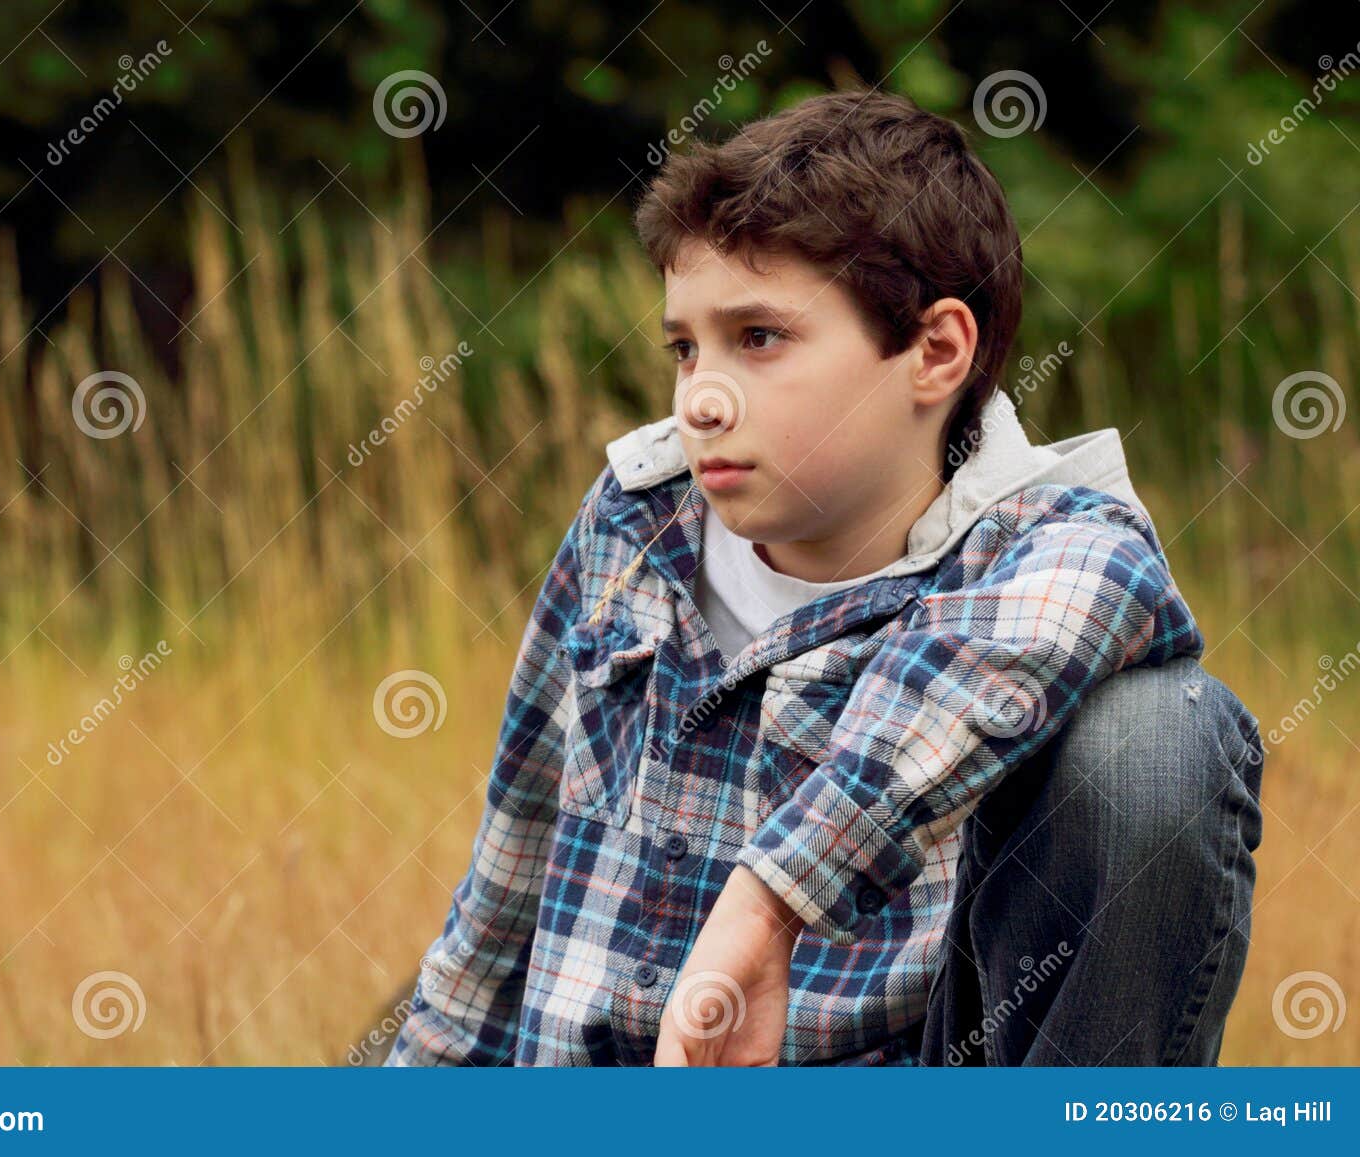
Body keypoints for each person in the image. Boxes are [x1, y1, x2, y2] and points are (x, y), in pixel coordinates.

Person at [384, 89, 1263, 1066]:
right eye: (685, 347)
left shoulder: (1049, 538)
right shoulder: (635, 514)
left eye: (759, 338)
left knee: (1157, 735)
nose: (702, 399)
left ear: (934, 351)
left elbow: (1093, 580)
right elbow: (504, 899)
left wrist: (771, 897)